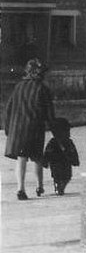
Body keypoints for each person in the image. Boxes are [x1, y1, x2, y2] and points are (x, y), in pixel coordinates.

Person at [3, 58, 56, 200]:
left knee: (21, 158)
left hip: (18, 129)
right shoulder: (42, 88)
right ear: (40, 73)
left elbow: (9, 108)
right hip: (34, 128)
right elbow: (49, 112)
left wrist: (7, 127)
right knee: (37, 157)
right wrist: (54, 128)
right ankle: (39, 186)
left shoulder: (19, 86)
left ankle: (20, 188)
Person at [43, 117, 80, 195]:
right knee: (58, 176)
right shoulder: (53, 142)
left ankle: (60, 186)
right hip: (57, 163)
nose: (69, 133)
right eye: (67, 131)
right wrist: (45, 161)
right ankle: (58, 186)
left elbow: (73, 151)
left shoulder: (68, 142)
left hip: (65, 162)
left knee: (67, 177)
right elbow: (48, 152)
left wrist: (75, 160)